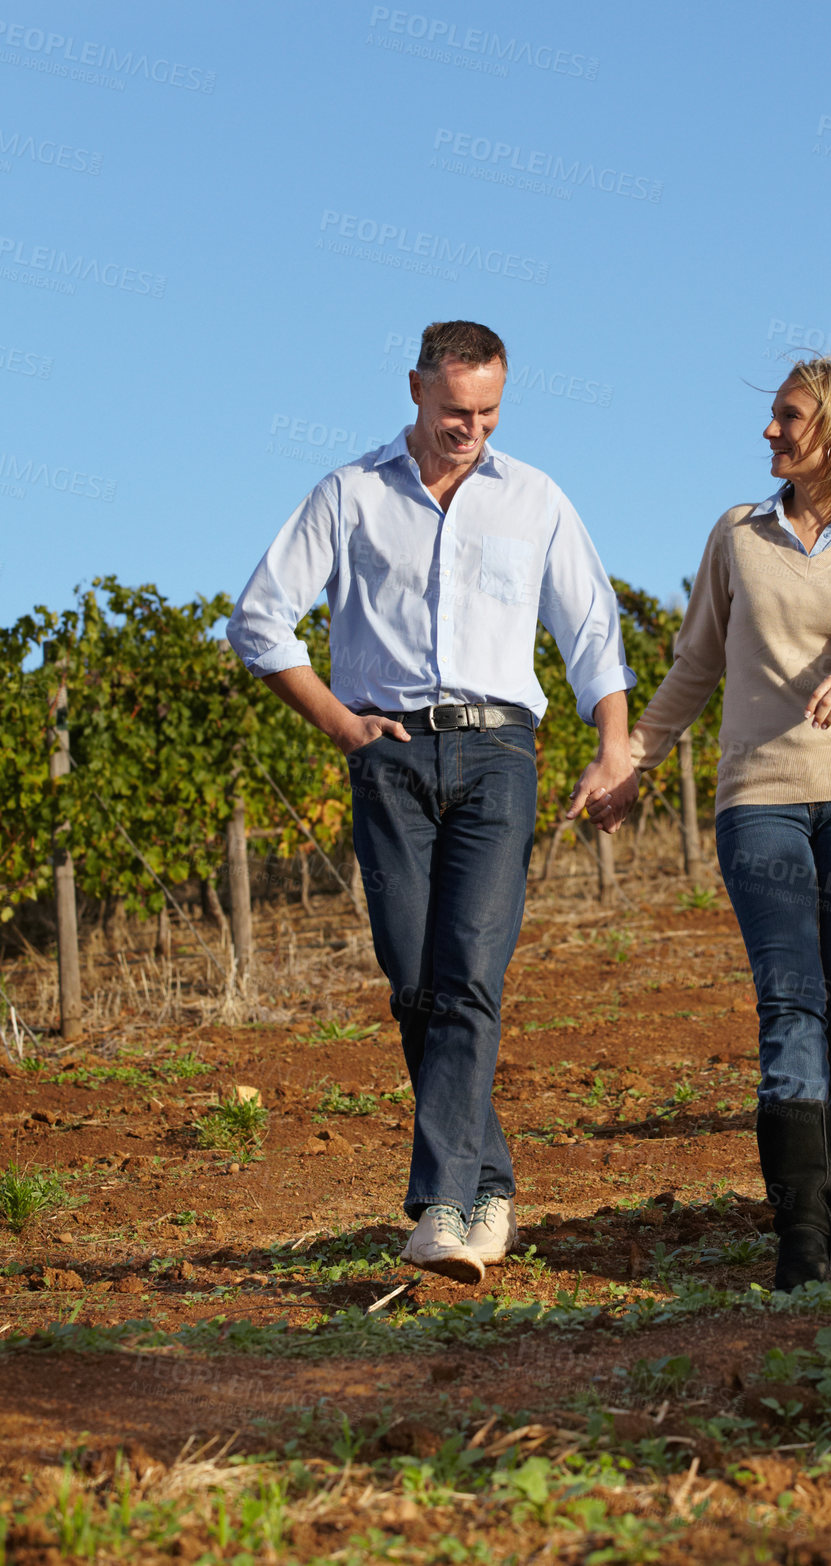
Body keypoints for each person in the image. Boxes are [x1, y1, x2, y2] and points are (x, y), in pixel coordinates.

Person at [227, 320, 636, 1283]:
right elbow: (258, 620)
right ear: (415, 388)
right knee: (414, 978)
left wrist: (614, 746)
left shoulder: (533, 498)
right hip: (392, 755)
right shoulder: (351, 493)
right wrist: (342, 727)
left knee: (468, 972)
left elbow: (591, 633)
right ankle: (490, 1185)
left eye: (489, 411)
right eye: (455, 409)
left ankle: (444, 1207)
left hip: (499, 752)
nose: (471, 428)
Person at [618, 358, 831, 1292]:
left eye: (787, 418)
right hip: (758, 797)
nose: (769, 432)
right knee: (790, 1001)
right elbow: (695, 663)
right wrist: (634, 757)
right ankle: (797, 1229)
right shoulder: (737, 535)